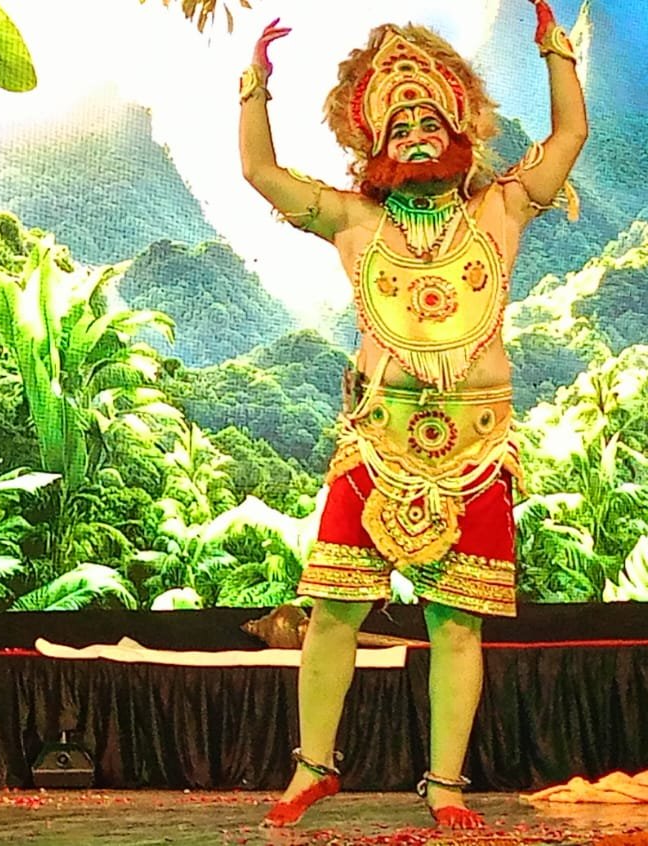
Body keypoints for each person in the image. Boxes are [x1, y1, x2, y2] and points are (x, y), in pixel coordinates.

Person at [238, 2, 586, 830]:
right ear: (375, 144)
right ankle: (313, 767)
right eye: (401, 126)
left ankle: (445, 784)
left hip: (475, 448)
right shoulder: (353, 219)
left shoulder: (501, 208)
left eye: (432, 120)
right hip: (377, 445)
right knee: (333, 612)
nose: (419, 135)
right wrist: (255, 86)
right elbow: (260, 171)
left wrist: (555, 49)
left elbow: (569, 135)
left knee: (456, 624)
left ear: (460, 130)